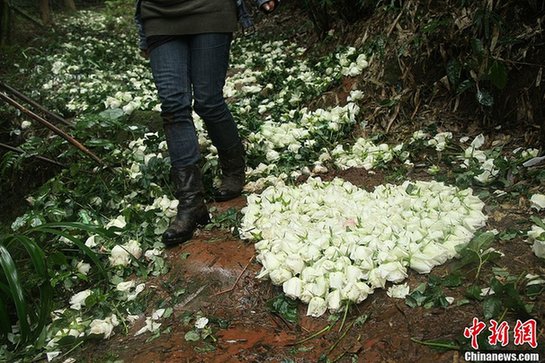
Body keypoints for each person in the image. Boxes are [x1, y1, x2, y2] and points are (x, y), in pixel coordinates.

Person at [134, 0, 279, 246]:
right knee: (173, 106)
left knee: (208, 101)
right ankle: (191, 203)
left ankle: (233, 169)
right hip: (159, 13)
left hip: (212, 8)